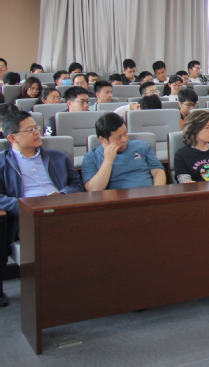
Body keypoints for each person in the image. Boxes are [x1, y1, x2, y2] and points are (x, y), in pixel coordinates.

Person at [0, 110, 86, 292]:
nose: (37, 132)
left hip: (61, 208)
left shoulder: (58, 157)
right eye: (30, 129)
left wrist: (61, 195)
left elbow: (77, 185)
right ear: (12, 138)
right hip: (27, 215)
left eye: (36, 127)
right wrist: (25, 205)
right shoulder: (2, 163)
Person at [82, 113, 166, 190]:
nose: (124, 139)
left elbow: (158, 171)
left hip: (148, 195)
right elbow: (93, 190)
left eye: (125, 133)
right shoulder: (91, 157)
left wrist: (157, 192)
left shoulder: (142, 146)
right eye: (118, 137)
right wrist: (108, 161)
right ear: (102, 139)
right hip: (118, 199)